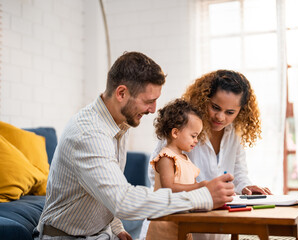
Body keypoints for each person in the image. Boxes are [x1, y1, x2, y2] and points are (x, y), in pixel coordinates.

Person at [35, 52, 235, 240]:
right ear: (121, 93)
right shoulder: (89, 133)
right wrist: (203, 196)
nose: (153, 109)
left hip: (101, 234)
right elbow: (122, 200)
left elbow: (102, 187)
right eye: (149, 101)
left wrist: (116, 227)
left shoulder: (119, 124)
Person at [140, 69, 272, 240]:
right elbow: (158, 175)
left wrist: (246, 187)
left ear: (241, 111)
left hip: (216, 228)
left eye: (230, 112)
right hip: (175, 226)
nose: (220, 117)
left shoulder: (234, 134)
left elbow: (237, 174)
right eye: (215, 107)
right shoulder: (184, 128)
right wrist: (199, 190)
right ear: (204, 100)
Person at [146, 99, 208, 240]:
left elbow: (188, 191)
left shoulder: (185, 159)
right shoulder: (166, 157)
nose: (196, 140)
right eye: (193, 136)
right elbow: (169, 187)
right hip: (165, 224)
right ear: (175, 133)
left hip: (181, 221)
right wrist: (199, 186)